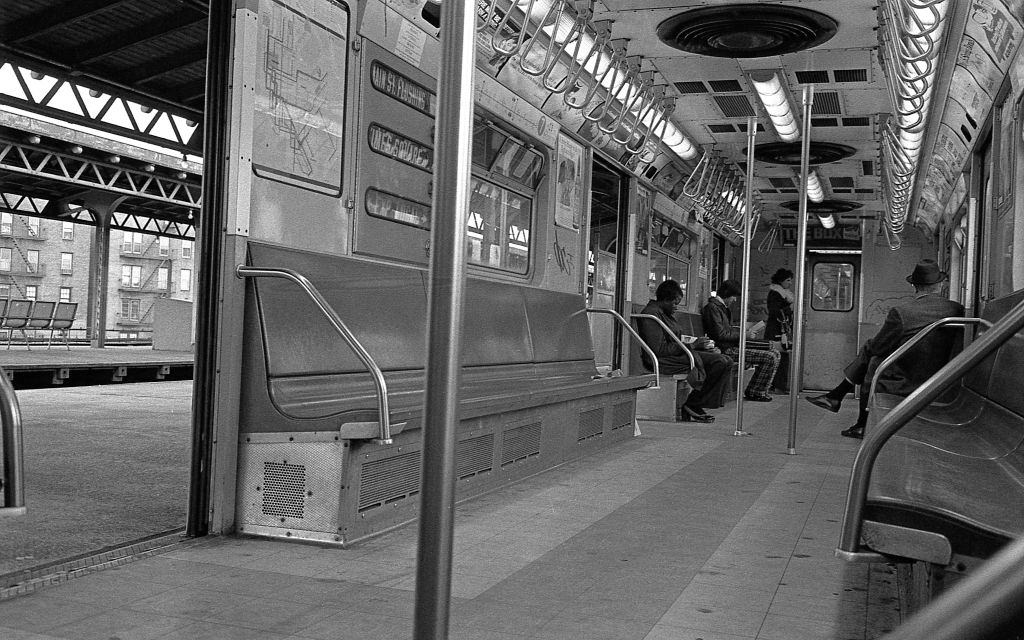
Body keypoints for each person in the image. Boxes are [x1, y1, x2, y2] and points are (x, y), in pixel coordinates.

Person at [806, 259, 965, 439]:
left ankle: (848, 408)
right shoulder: (957, 310)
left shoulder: (902, 312)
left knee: (872, 357)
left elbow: (878, 346)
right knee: (871, 355)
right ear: (941, 284)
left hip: (906, 378)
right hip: (942, 376)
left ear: (914, 285)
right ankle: (837, 398)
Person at [637, 280, 732, 423]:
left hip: (679, 354)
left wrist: (697, 344)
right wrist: (692, 346)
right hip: (664, 359)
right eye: (674, 303)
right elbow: (659, 349)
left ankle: (695, 403)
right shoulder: (652, 315)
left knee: (725, 360)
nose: (676, 307)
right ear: (664, 300)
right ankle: (694, 403)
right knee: (720, 362)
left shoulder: (664, 313)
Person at [701, 279, 781, 402]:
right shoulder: (713, 308)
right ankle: (756, 392)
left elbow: (726, 331)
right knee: (770, 357)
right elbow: (720, 334)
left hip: (731, 345)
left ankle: (757, 390)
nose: (735, 300)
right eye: (734, 296)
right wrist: (744, 334)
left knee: (775, 353)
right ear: (727, 294)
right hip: (725, 349)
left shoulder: (722, 308)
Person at [765, 268, 794, 347]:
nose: (790, 283)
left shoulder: (784, 294)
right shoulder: (776, 294)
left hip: (780, 329)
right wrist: (789, 310)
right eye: (788, 280)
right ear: (781, 280)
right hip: (776, 330)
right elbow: (775, 311)